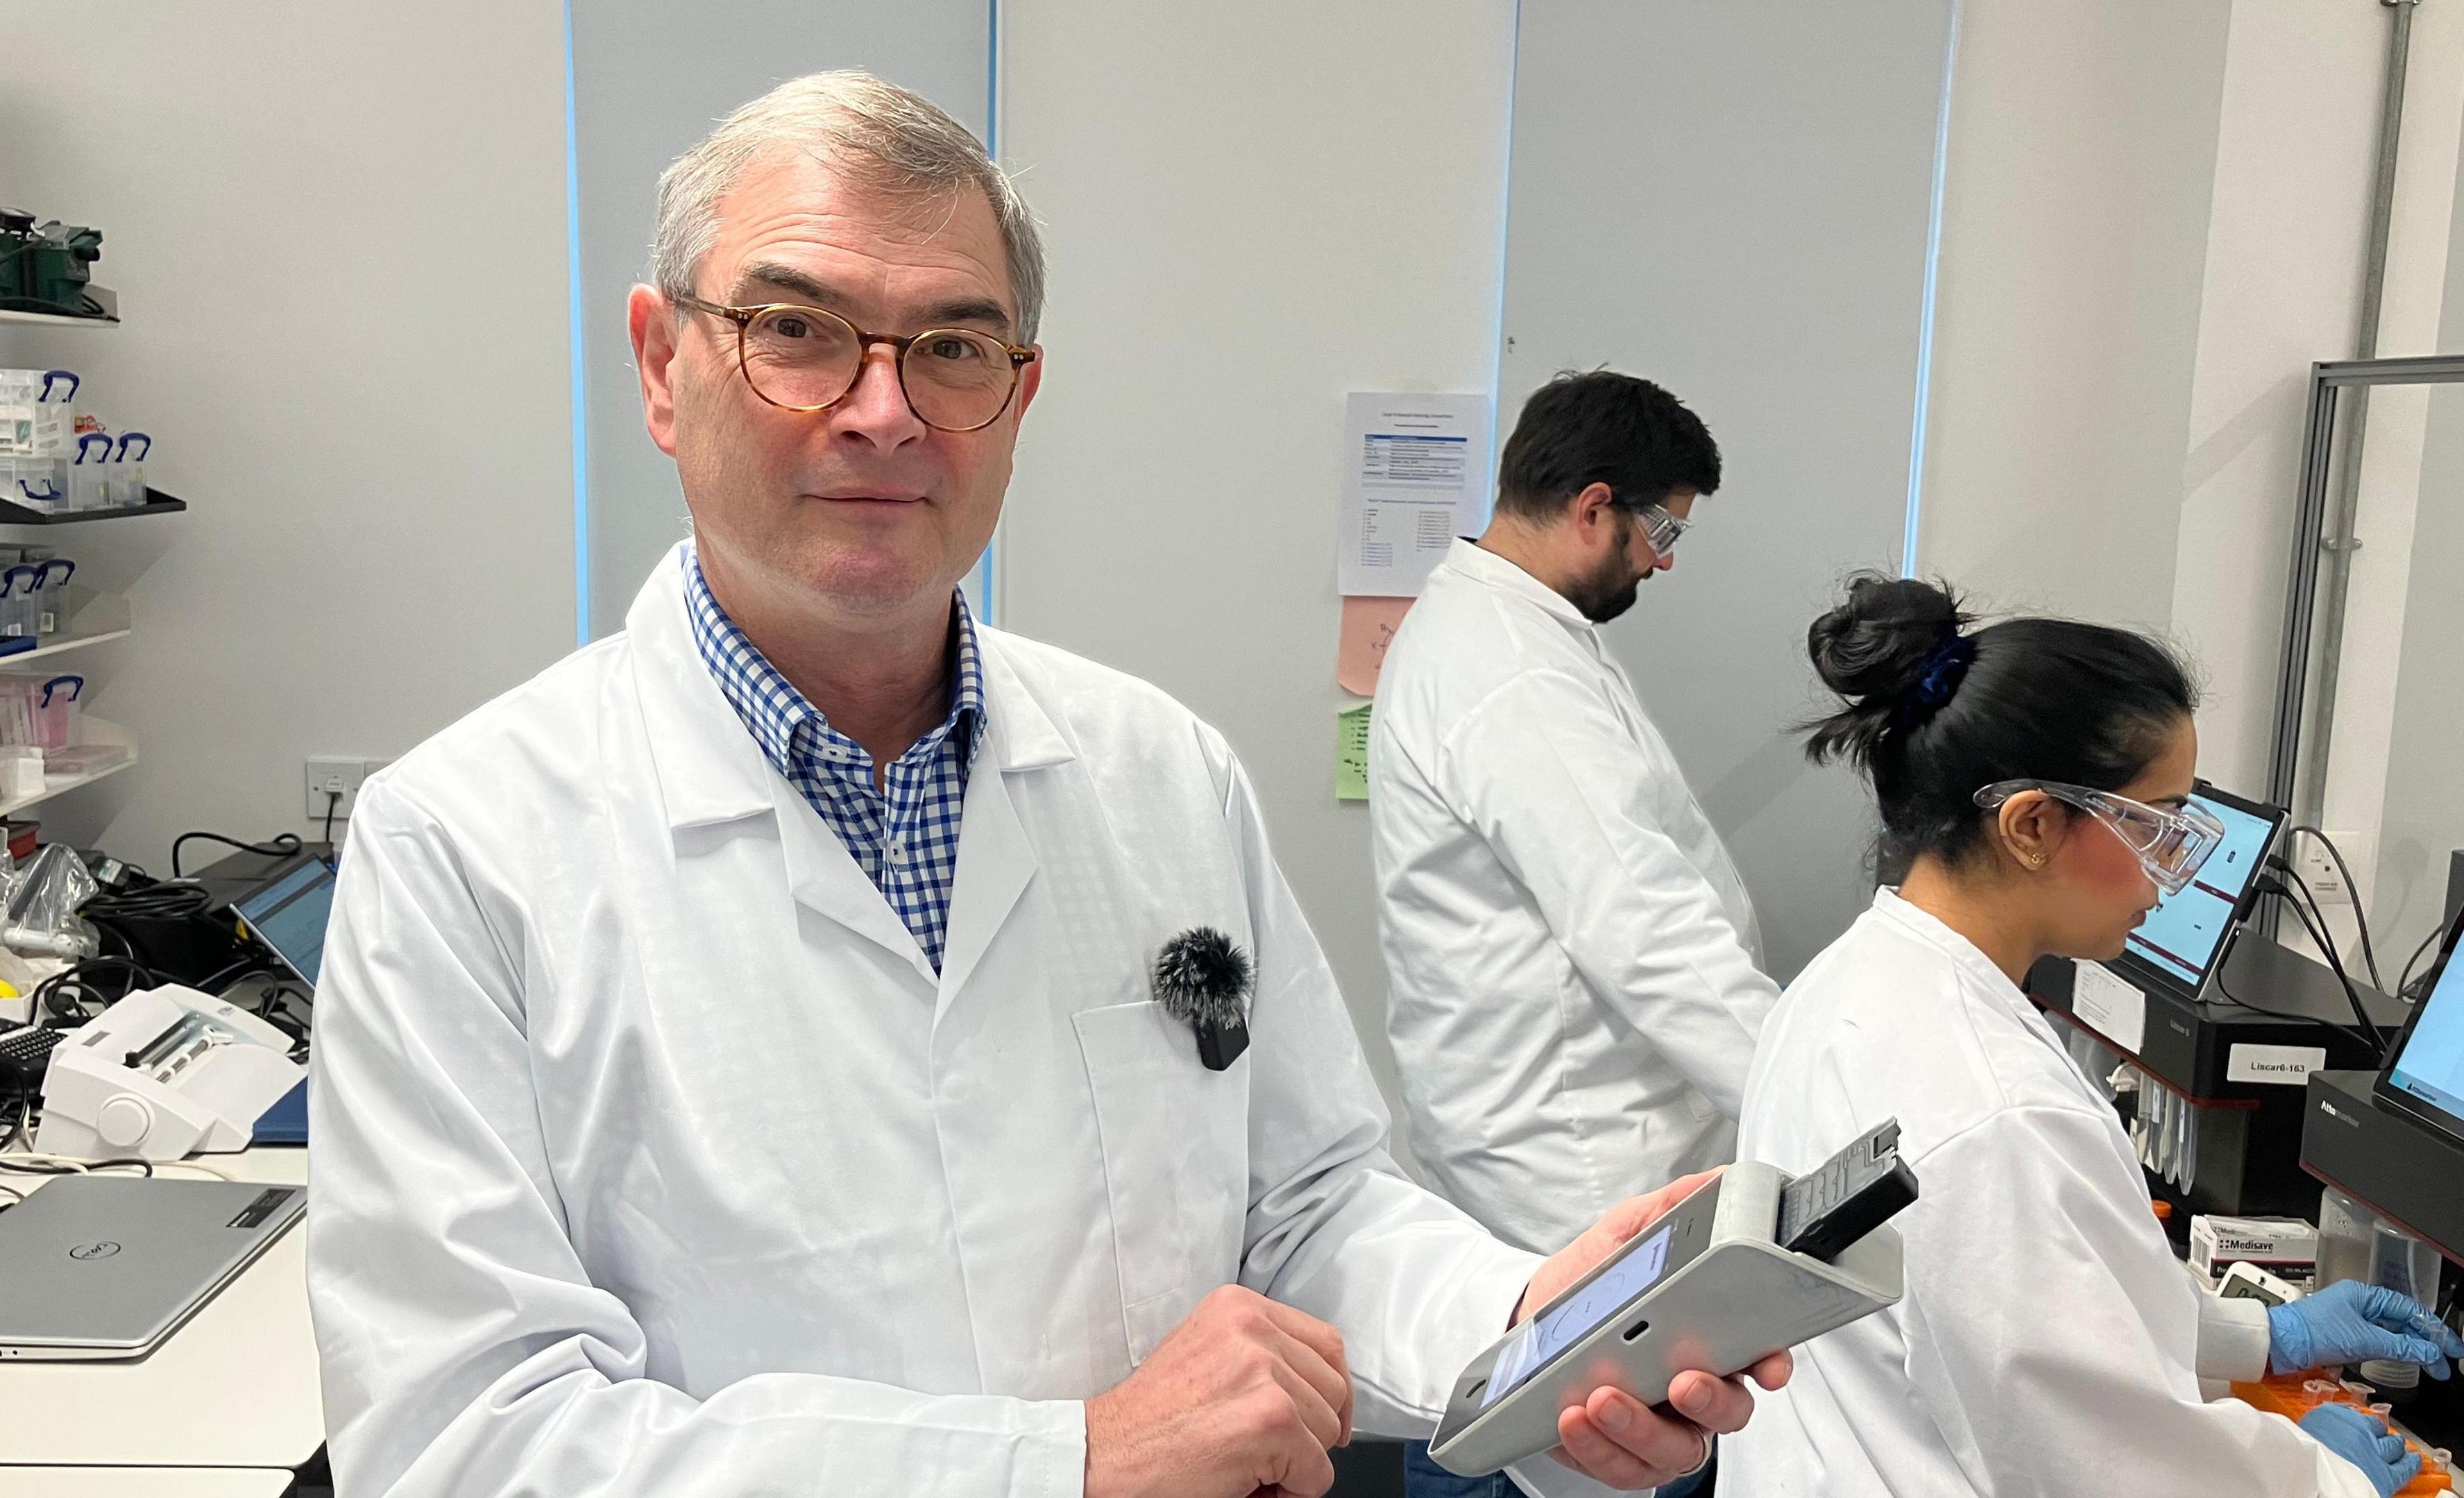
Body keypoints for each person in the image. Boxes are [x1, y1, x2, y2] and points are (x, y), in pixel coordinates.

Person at [305, 72, 1786, 1498]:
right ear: (658, 364)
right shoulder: (463, 847)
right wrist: (1069, 1466)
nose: (884, 411)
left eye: (952, 348)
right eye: (796, 330)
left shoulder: (1161, 774)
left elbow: (1309, 1211)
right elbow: (467, 1445)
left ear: (1017, 395)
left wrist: (1538, 1322)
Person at [1722, 575, 2464, 1497]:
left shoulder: (1845, 981)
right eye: (2159, 828)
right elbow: (2111, 1470)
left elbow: (2047, 1322)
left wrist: (2265, 1335)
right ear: (2033, 824)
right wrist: (2325, 1480)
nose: (2174, 875)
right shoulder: (1998, 1110)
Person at [1373, 373, 1778, 1497]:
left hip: (1544, 1146)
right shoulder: (1508, 670)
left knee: (1496, 1439)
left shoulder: (1514, 633)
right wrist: (1820, 1085)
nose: (1663, 561)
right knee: (1540, 1453)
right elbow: (1644, 932)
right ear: (1593, 504)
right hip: (1571, 1167)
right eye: (1660, 530)